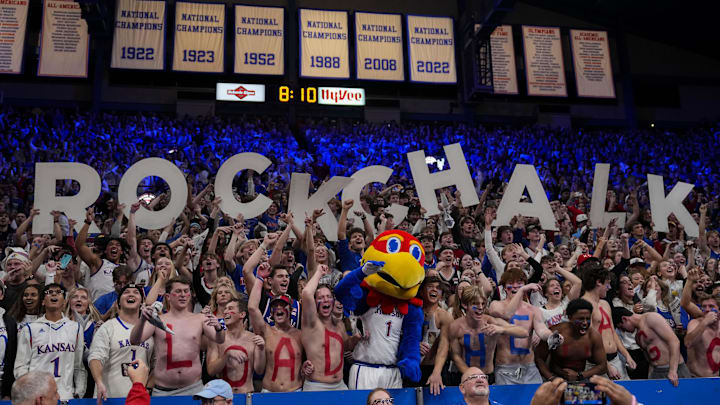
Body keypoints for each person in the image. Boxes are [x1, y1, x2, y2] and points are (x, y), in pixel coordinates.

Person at [129, 277, 225, 396]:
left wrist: (219, 328)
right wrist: (142, 320)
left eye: (186, 291)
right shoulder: (158, 320)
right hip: (163, 390)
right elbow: (134, 340)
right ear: (168, 297)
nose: (183, 295)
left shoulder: (200, 318)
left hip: (194, 387)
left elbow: (220, 339)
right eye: (178, 291)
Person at [14, 283, 86, 401]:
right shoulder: (30, 329)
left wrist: (79, 392)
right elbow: (21, 366)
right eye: (49, 292)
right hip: (38, 397)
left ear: (64, 301)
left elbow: (78, 366)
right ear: (42, 302)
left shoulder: (76, 328)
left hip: (65, 396)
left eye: (59, 292)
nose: (53, 294)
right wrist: (31, 393)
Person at [488, 268, 560, 385]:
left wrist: (552, 336)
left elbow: (541, 330)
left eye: (520, 283)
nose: (516, 287)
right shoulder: (496, 305)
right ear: (504, 287)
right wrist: (522, 290)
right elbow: (507, 314)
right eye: (511, 283)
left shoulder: (533, 309)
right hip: (505, 368)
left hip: (529, 368)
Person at [89, 284, 154, 402]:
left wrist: (148, 388)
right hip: (110, 396)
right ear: (118, 302)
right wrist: (99, 382)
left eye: (136, 292)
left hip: (139, 397)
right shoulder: (108, 327)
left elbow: (155, 365)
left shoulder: (149, 330)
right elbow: (95, 357)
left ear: (142, 302)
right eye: (126, 292)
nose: (131, 294)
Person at [449, 286, 528, 383]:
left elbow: (524, 332)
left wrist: (500, 329)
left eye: (483, 304)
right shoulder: (455, 327)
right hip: (465, 375)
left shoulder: (491, 321)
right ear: (465, 305)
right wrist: (470, 374)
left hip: (488, 375)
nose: (480, 307)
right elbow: (456, 356)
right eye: (475, 304)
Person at [580, 261, 635, 379]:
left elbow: (612, 332)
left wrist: (626, 355)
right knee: (602, 397)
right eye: (607, 284)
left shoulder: (605, 303)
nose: (609, 288)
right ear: (598, 282)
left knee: (625, 396)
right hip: (597, 364)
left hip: (615, 359)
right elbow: (587, 341)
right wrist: (606, 366)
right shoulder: (583, 305)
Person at [248, 277, 303, 392]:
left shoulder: (300, 335)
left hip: (295, 392)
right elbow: (252, 308)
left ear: (291, 310)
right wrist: (259, 278)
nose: (279, 308)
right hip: (269, 392)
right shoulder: (266, 331)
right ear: (271, 313)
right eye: (275, 306)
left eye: (283, 305)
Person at [300, 265, 350, 390]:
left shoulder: (339, 324)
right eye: (321, 297)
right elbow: (306, 293)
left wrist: (356, 338)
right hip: (316, 386)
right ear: (315, 302)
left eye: (328, 297)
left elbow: (347, 346)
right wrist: (318, 272)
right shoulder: (311, 323)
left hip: (340, 385)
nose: (325, 300)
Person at [613, 306, 691, 386]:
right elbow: (650, 360)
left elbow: (674, 342)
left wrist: (673, 370)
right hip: (657, 373)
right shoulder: (637, 337)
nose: (624, 331)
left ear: (624, 319)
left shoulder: (651, 318)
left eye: (621, 327)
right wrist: (651, 375)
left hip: (675, 369)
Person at [534, 298, 607, 382]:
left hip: (581, 378)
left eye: (588, 319)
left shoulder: (593, 336)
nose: (585, 323)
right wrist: (551, 378)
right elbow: (539, 358)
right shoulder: (556, 332)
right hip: (556, 377)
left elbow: (603, 366)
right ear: (570, 317)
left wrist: (579, 375)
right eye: (580, 319)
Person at [206, 298, 265, 393]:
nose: (225, 312)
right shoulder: (216, 339)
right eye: (225, 309)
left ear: (242, 314)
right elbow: (211, 371)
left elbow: (259, 370)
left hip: (247, 395)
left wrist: (262, 349)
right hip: (224, 396)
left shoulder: (253, 339)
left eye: (230, 308)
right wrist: (226, 355)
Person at [684, 294, 720, 377]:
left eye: (711, 306)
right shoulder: (695, 323)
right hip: (697, 379)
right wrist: (705, 322)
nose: (707, 309)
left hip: (717, 379)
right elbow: (688, 343)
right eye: (704, 307)